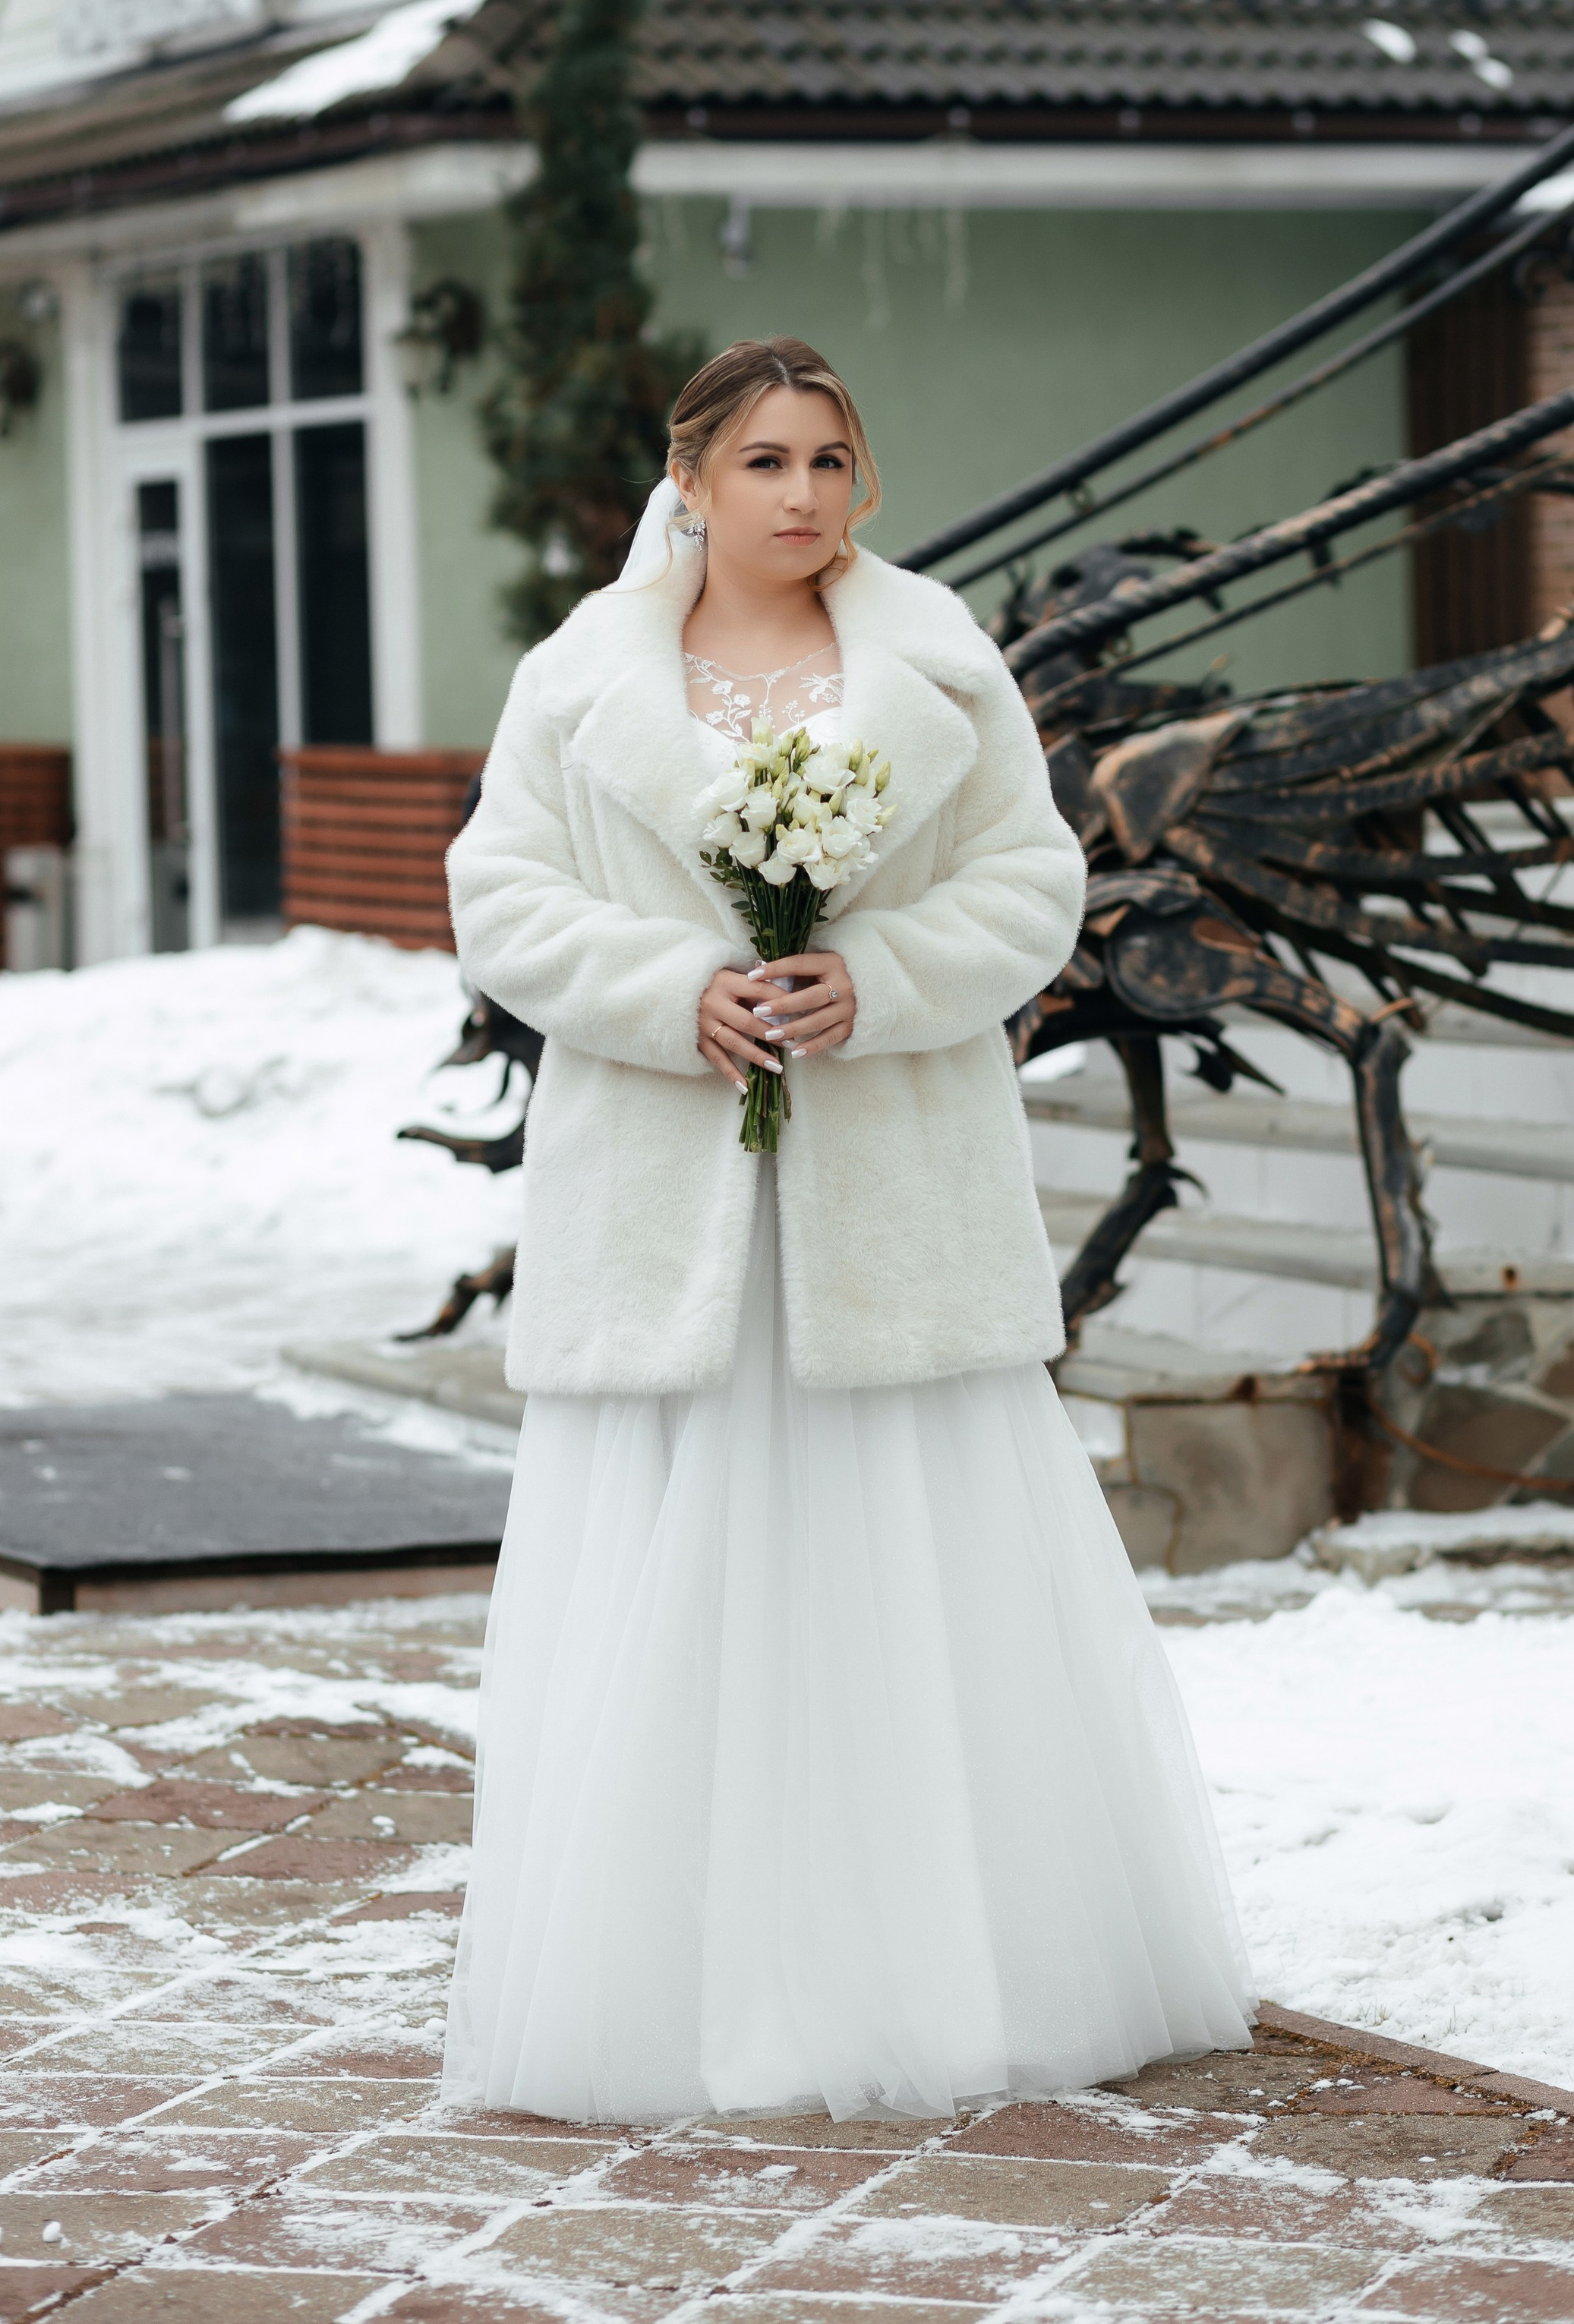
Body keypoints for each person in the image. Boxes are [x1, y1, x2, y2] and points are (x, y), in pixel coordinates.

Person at [441, 334, 1253, 2123]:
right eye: (763, 464)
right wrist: (680, 997)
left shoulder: (937, 667)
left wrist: (868, 977)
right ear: (691, 478)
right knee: (675, 1582)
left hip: (889, 1192)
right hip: (667, 1208)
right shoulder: (581, 678)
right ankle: (671, 1990)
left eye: (829, 461)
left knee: (902, 1580)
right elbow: (498, 893)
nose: (801, 497)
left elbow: (1032, 883)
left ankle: (941, 1973)